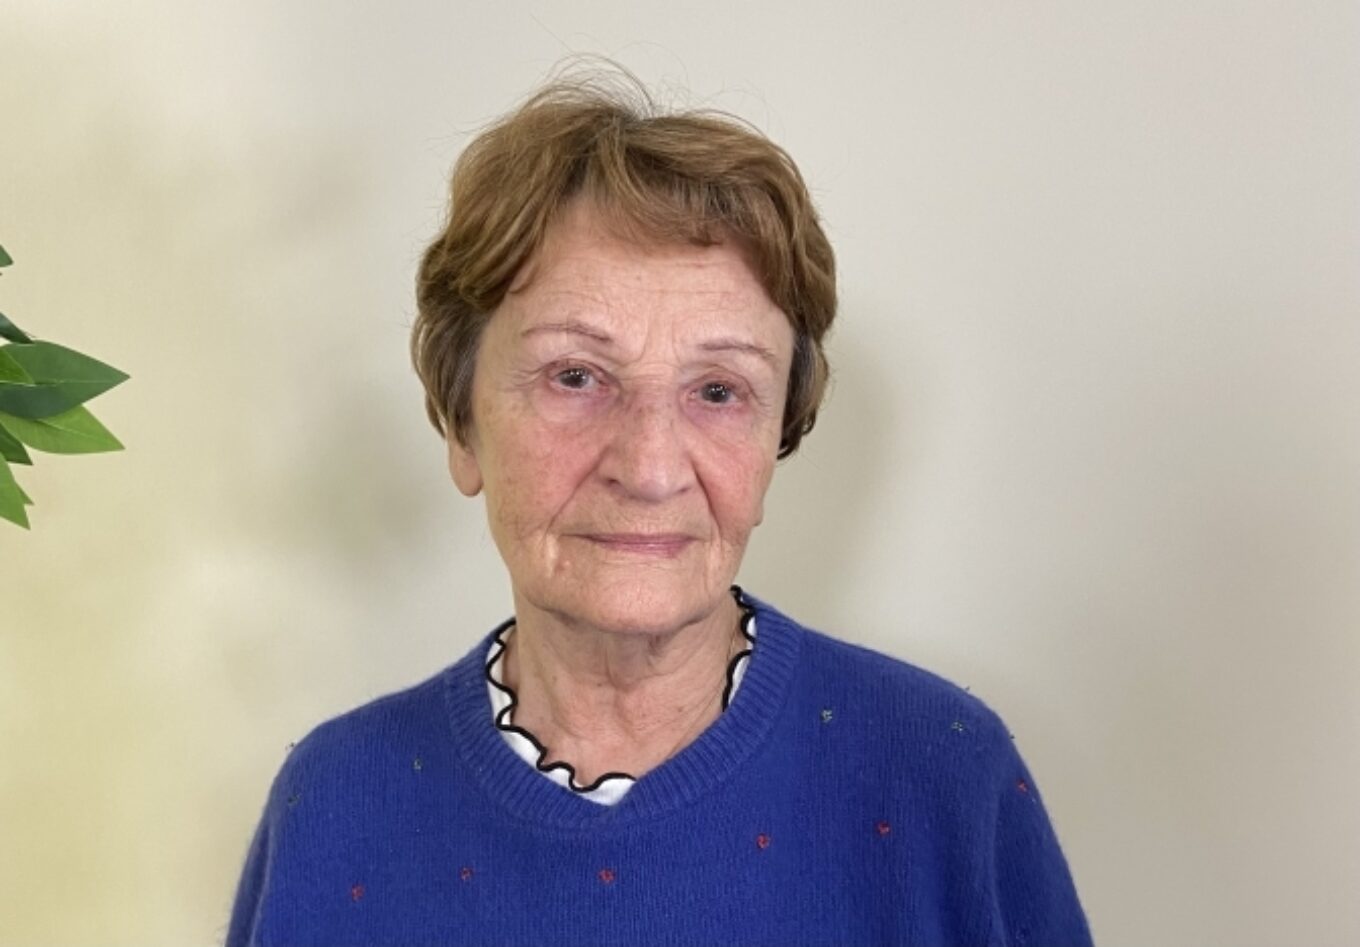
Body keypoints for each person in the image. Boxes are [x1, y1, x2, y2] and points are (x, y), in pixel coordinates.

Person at [226, 66, 1093, 946]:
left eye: (718, 391)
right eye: (575, 376)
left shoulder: (945, 774)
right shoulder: (334, 802)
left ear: (777, 435)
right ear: (461, 425)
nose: (649, 468)